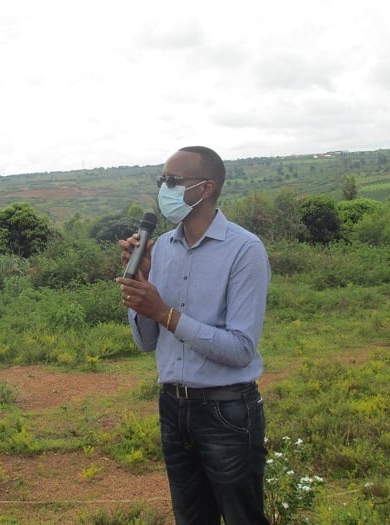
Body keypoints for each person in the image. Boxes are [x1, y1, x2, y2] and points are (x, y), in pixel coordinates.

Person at [117, 146, 271, 524]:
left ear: (206, 188)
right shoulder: (162, 250)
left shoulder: (244, 250)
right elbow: (146, 342)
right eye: (161, 180)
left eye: (173, 181)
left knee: (242, 517)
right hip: (173, 407)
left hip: (227, 411)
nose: (164, 188)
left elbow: (240, 349)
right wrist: (144, 282)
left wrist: (165, 312)